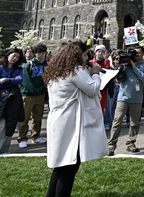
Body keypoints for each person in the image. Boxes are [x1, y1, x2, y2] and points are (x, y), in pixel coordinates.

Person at [43, 42, 109, 197]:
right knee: (69, 166)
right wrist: (95, 74)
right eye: (86, 55)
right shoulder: (75, 70)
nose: (87, 58)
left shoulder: (56, 70)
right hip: (70, 122)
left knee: (60, 166)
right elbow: (92, 89)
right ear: (78, 55)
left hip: (58, 119)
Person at [107, 47, 144, 156]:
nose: (136, 54)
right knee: (117, 121)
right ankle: (111, 145)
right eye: (135, 52)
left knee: (134, 123)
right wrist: (119, 67)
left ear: (143, 54)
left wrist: (134, 67)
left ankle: (131, 143)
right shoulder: (125, 65)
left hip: (137, 99)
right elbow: (119, 80)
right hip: (123, 97)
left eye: (139, 52)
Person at [19, 44, 48, 149]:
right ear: (35, 54)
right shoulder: (29, 65)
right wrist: (35, 90)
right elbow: (26, 81)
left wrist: (42, 89)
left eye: (43, 53)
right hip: (28, 95)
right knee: (25, 118)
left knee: (38, 117)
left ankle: (36, 136)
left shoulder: (47, 65)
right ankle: (22, 138)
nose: (41, 55)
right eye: (39, 53)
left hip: (40, 94)